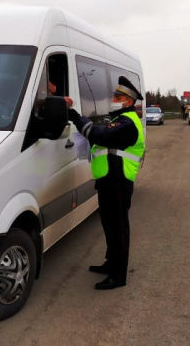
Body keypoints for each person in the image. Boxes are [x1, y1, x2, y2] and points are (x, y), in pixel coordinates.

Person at [67, 76, 144, 290]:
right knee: (109, 226)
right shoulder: (118, 120)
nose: (114, 99)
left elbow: (99, 135)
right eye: (115, 96)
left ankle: (118, 276)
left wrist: (74, 115)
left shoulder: (127, 123)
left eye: (119, 96)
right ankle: (110, 264)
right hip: (108, 181)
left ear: (129, 101)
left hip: (118, 183)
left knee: (118, 229)